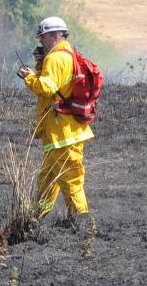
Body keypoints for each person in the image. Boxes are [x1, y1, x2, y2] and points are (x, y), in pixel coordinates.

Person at [17, 17, 94, 219]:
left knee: (71, 181)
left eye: (43, 38)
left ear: (55, 35)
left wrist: (29, 77)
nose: (41, 42)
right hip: (58, 134)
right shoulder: (65, 54)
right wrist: (41, 66)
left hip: (64, 134)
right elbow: (56, 84)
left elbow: (46, 88)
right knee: (47, 180)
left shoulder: (57, 58)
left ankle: (82, 221)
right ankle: (38, 217)